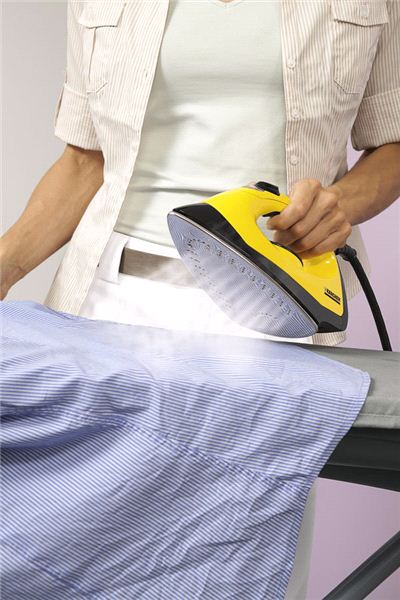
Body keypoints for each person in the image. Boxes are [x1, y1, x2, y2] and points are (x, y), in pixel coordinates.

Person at [1, 1, 399, 597]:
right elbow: (85, 160)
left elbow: (393, 143)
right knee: (73, 546)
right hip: (111, 304)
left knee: (244, 564)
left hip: (271, 312)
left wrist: (338, 206)